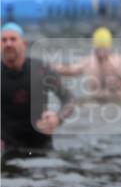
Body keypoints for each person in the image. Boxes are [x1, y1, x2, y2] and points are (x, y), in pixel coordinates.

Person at [1, 22, 74, 154]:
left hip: (41, 148)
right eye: (4, 40)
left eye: (13, 39)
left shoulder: (40, 69)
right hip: (7, 147)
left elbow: (69, 99)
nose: (8, 44)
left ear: (24, 44)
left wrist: (58, 118)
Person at [54, 27, 121, 104]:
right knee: (74, 104)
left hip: (116, 102)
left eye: (104, 49)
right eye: (99, 50)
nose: (101, 53)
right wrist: (49, 67)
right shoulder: (87, 63)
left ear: (110, 48)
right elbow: (69, 70)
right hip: (93, 102)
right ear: (94, 47)